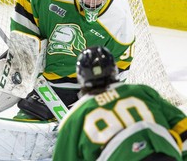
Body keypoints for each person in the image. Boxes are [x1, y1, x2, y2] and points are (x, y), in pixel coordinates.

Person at [10, 0, 135, 121]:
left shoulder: (120, 17)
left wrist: (97, 99)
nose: (91, 2)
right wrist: (25, 45)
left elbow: (121, 67)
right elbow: (26, 3)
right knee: (24, 120)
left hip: (81, 83)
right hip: (44, 72)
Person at [53, 46, 187, 161]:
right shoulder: (141, 92)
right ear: (114, 70)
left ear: (81, 77)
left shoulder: (73, 118)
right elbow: (183, 128)